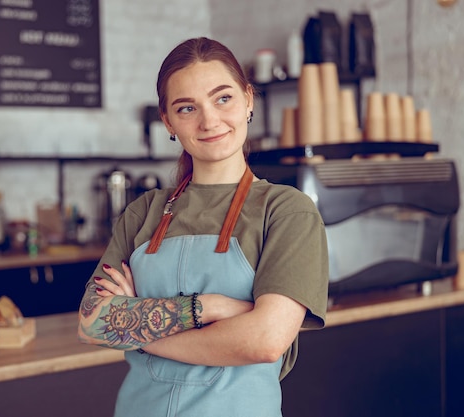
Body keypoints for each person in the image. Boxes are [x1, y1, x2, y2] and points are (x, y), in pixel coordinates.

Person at [78, 37, 328, 417]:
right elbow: (92, 323)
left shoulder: (286, 211)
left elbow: (265, 340)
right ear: (169, 122)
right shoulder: (143, 211)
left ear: (248, 101)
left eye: (223, 98)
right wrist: (207, 308)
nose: (209, 120)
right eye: (187, 107)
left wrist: (138, 334)